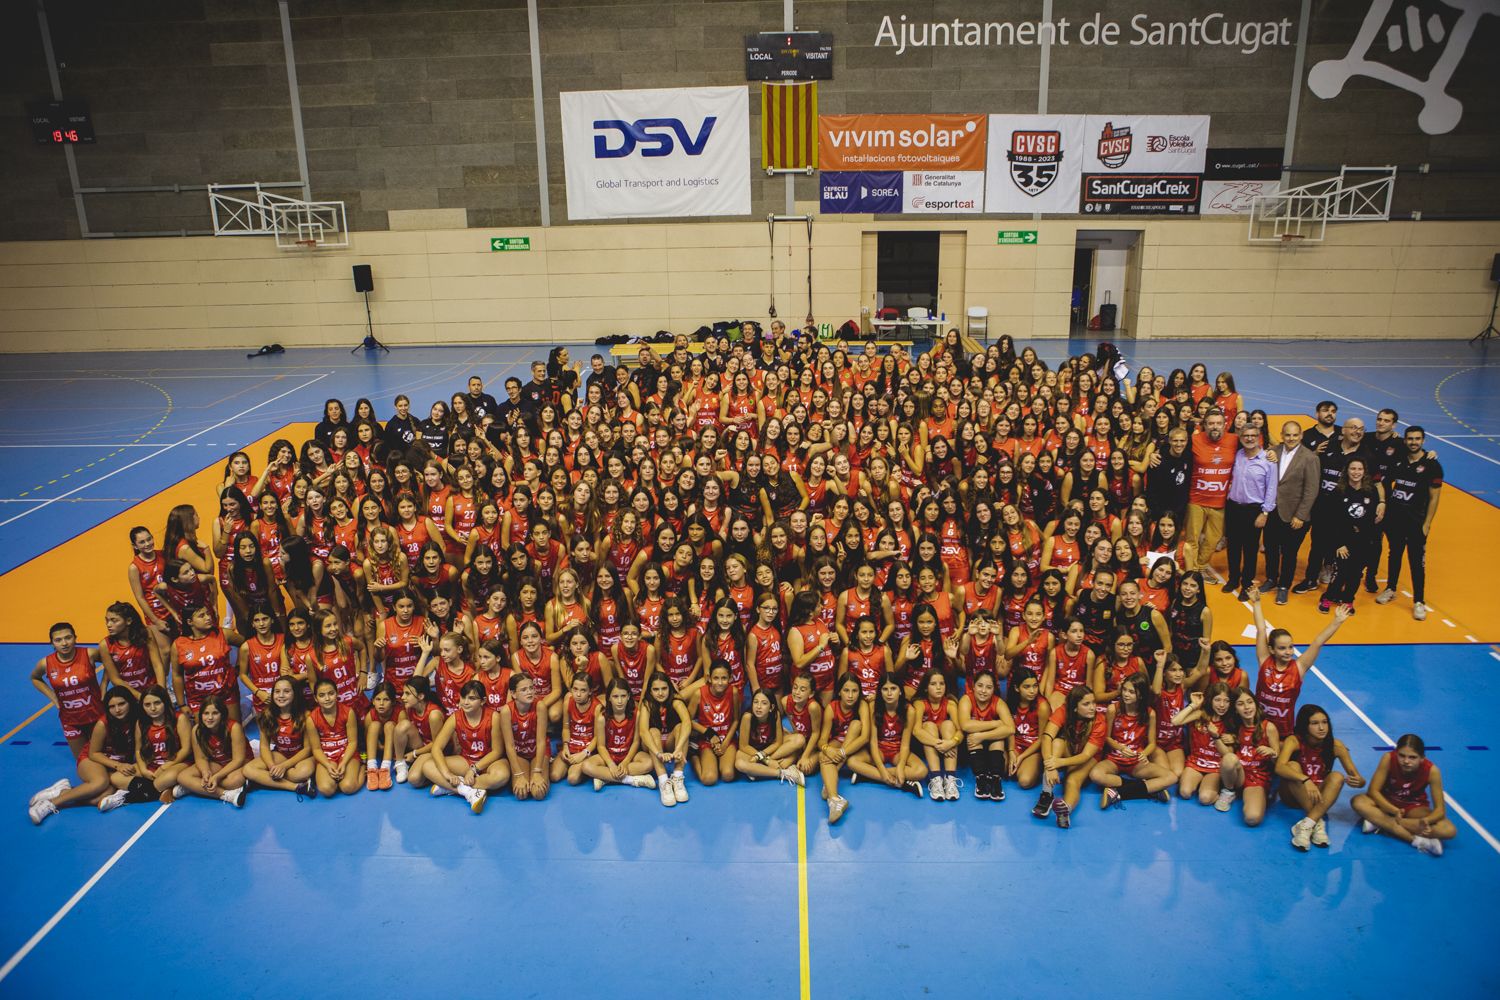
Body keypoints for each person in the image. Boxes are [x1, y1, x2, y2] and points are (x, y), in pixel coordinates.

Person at [1375, 426, 1442, 621]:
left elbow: (1434, 497)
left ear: (1423, 440)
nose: (1414, 442)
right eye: (1410, 439)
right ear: (1405, 441)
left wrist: (1427, 523)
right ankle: (1390, 588)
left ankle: (1418, 601)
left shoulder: (1432, 465)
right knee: (1394, 554)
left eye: (1417, 439)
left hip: (1416, 521)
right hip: (1395, 518)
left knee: (1416, 561)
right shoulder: (1399, 460)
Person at [1276, 704, 1365, 851]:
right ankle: (1317, 821)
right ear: (1305, 726)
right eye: (1315, 723)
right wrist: (1305, 779)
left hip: (1318, 796)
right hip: (1293, 794)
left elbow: (1359, 779)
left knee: (1337, 776)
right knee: (1292, 766)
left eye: (1324, 722)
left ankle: (1309, 823)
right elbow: (1279, 767)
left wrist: (1359, 782)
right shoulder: (1294, 740)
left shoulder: (1336, 745)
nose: (1322, 727)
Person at [1351, 734, 1456, 856]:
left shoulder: (1432, 771)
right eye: (1402, 756)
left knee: (1449, 830)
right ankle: (1417, 840)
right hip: (1386, 803)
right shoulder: (1388, 758)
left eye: (1412, 757)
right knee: (1358, 801)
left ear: (1422, 758)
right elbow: (1373, 791)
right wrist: (1393, 810)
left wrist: (1427, 821)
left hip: (1413, 807)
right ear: (1396, 753)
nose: (1406, 761)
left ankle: (1380, 822)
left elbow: (1440, 811)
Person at [1261, 419, 1321, 605]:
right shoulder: (1273, 452)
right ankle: (1271, 579)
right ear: (1282, 436)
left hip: (1294, 514)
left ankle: (1284, 586)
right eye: (1287, 435)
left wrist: (1301, 515)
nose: (1291, 438)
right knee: (1270, 547)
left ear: (1301, 436)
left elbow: (1312, 490)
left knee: (1289, 552)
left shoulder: (1310, 458)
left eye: (1295, 435)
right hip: (1273, 511)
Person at [1221, 424, 1276, 601]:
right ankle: (1233, 579)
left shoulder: (1268, 460)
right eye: (1246, 435)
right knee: (1233, 546)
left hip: (1254, 510)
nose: (1249, 438)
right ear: (1240, 436)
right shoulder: (1238, 455)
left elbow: (1271, 489)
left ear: (1259, 437)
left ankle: (1246, 584)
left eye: (1253, 435)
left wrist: (1265, 513)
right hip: (1234, 507)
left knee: (1250, 549)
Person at [1184, 409, 1236, 583]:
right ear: (1204, 425)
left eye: (1218, 423)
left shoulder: (1234, 440)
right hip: (1196, 500)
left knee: (1213, 539)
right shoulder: (1194, 440)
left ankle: (1201, 566)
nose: (1215, 427)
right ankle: (1191, 572)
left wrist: (1272, 453)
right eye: (1211, 423)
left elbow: (1258, 445)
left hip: (1219, 502)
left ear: (1225, 425)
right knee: (1192, 539)